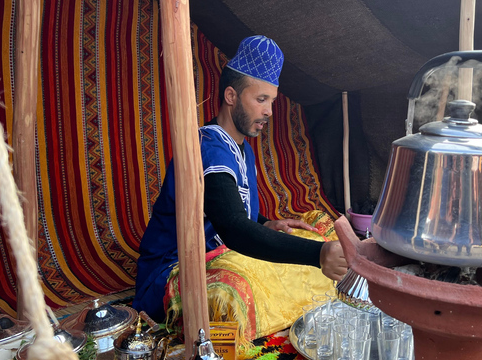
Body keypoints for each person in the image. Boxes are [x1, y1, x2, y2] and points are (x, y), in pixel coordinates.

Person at [134, 35, 348, 321]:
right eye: (261, 99)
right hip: (174, 273)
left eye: (271, 101)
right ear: (231, 96)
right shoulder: (208, 149)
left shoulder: (241, 148)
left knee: (318, 226)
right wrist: (319, 255)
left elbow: (226, 210)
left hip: (225, 254)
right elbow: (233, 228)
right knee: (235, 286)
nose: (269, 111)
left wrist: (266, 224)